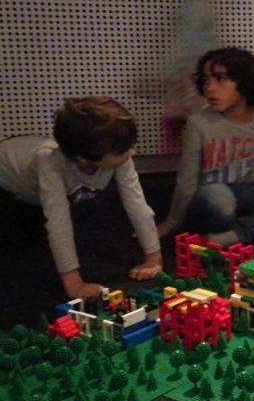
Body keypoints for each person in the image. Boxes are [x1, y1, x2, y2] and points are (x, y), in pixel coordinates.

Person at [0, 97, 162, 300]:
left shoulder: (119, 156)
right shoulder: (50, 163)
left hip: (37, 189)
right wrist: (75, 285)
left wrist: (153, 260)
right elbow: (59, 225)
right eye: (123, 150)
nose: (132, 152)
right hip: (7, 176)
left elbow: (137, 205)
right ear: (83, 158)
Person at [157, 47, 254, 246]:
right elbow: (186, 182)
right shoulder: (198, 123)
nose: (209, 88)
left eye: (220, 79)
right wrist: (172, 223)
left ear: (243, 82)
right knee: (220, 198)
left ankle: (245, 230)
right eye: (206, 80)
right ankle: (247, 229)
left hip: (248, 193)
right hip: (211, 200)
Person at [164, 0, 236, 144]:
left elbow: (190, 47)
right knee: (185, 129)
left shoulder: (197, 9)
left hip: (192, 76)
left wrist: (169, 74)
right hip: (189, 76)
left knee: (191, 130)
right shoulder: (192, 7)